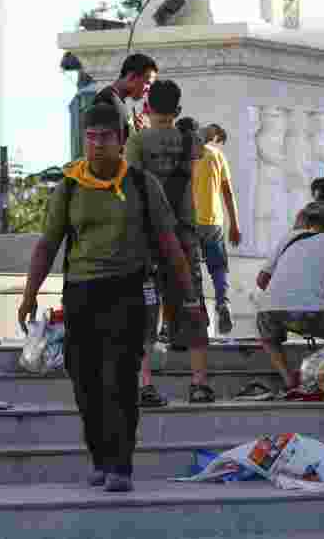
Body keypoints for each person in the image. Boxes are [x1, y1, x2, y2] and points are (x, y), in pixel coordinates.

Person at [17, 103, 193, 493]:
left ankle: (121, 465)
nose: (97, 145)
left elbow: (169, 244)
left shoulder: (143, 184)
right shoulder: (70, 186)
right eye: (91, 138)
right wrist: (29, 294)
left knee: (120, 378)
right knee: (85, 381)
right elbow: (47, 244)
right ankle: (99, 456)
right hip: (81, 293)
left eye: (106, 137)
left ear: (122, 140)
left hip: (128, 291)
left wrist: (190, 297)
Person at [125, 81, 214, 406]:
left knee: (146, 311)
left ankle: (144, 385)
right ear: (176, 110)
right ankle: (199, 384)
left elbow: (131, 184)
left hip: (148, 238)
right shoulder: (189, 140)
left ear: (147, 108)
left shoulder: (137, 141)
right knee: (193, 306)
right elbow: (202, 144)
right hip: (185, 236)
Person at [236, 201, 324, 401]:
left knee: (266, 326)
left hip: (269, 313)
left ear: (307, 220)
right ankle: (323, 373)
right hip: (312, 313)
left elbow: (262, 281)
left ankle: (289, 381)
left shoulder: (290, 237)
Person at [192, 123, 241, 334]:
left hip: (189, 221)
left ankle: (200, 311)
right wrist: (235, 224)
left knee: (194, 269)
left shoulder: (184, 156)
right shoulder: (216, 156)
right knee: (218, 268)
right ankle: (223, 303)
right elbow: (228, 192)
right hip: (213, 221)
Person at [92, 53, 157, 140]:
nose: (148, 89)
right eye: (147, 83)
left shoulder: (116, 100)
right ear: (132, 77)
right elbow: (108, 148)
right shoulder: (106, 100)